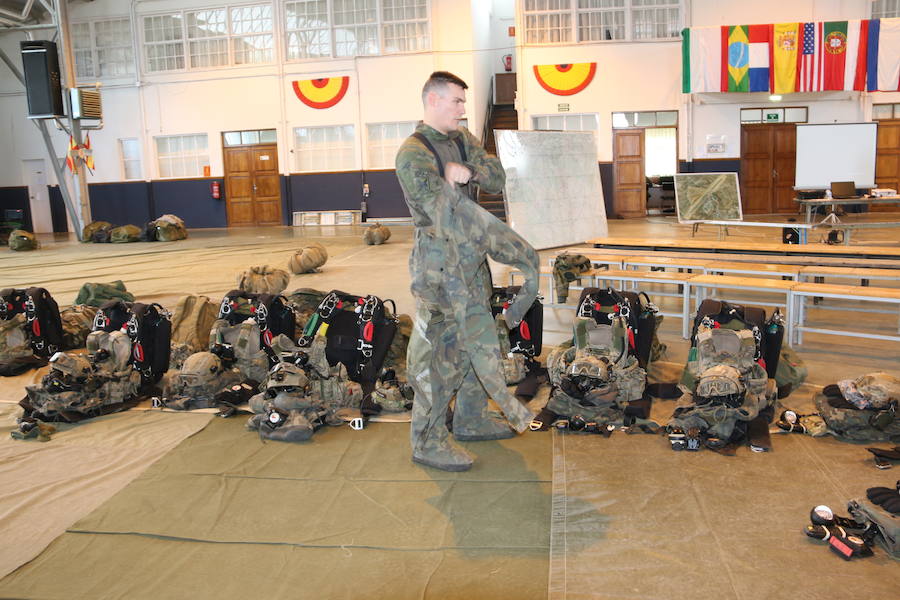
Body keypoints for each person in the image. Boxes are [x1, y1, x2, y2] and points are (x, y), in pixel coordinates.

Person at [395, 71, 540, 472]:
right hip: (438, 268)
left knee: (481, 338)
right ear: (434, 101)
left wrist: (470, 171)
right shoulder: (413, 153)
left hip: (472, 263)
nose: (462, 109)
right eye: (456, 101)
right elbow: (437, 211)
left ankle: (472, 419)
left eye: (463, 102)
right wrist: (448, 179)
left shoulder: (463, 141)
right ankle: (426, 440)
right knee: (439, 354)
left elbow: (496, 176)